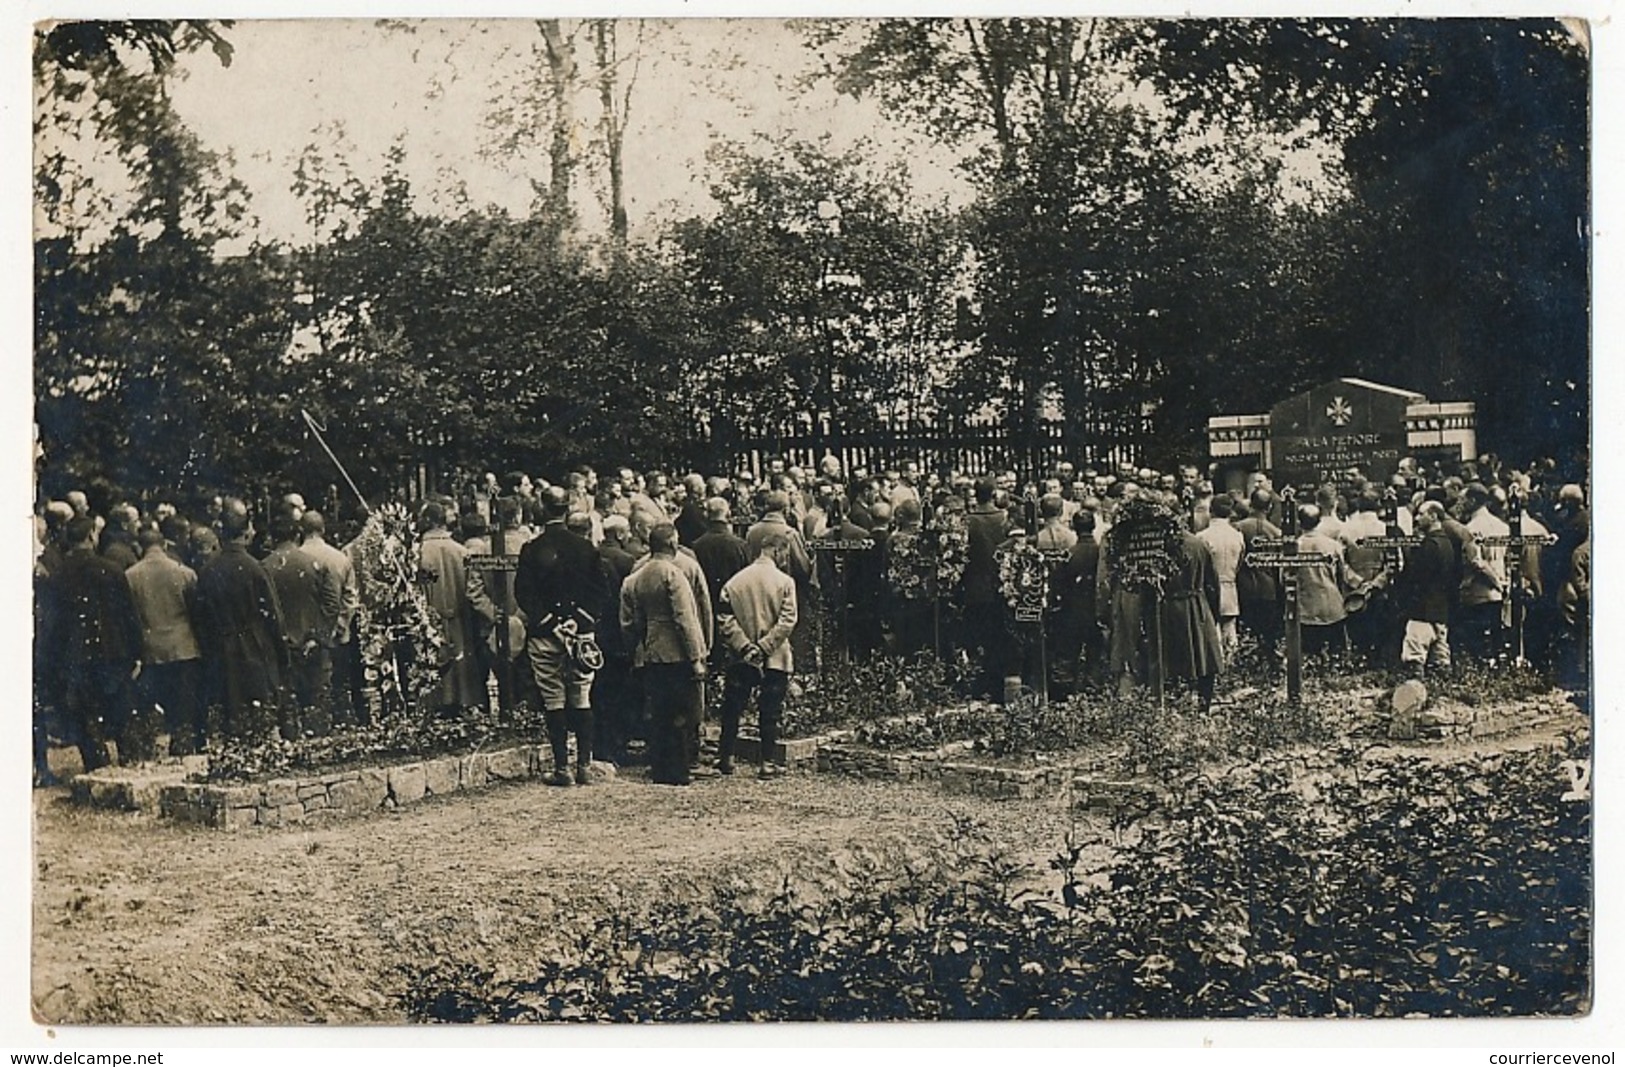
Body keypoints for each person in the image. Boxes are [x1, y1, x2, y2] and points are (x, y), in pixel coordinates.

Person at [515, 487, 607, 786]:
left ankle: (562, 768)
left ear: (542, 509)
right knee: (581, 695)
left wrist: (552, 622)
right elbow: (600, 593)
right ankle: (583, 765)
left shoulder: (532, 548)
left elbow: (523, 594)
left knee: (553, 698)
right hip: (581, 634)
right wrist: (576, 620)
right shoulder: (586, 547)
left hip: (545, 635)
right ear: (567, 509)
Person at [40, 516, 147, 770]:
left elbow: (52, 624)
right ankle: (130, 766)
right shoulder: (110, 570)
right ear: (90, 537)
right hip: (113, 653)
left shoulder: (58, 576)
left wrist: (53, 661)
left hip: (75, 656)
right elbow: (129, 616)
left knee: (85, 716)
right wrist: (137, 653)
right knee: (121, 713)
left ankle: (96, 768)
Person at [620, 523, 709, 786]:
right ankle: (678, 770)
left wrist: (636, 646)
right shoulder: (673, 574)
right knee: (680, 714)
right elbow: (685, 618)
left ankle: (659, 767)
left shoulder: (637, 575)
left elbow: (628, 621)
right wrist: (696, 657)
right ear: (671, 544)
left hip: (651, 650)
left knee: (658, 711)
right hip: (677, 652)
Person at [195, 499, 289, 741]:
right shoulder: (255, 569)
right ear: (246, 532)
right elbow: (273, 616)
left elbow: (201, 621)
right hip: (256, 648)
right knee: (262, 717)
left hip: (221, 651)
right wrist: (281, 654)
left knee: (231, 717)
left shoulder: (207, 572)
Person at [716, 530, 799, 778]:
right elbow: (788, 620)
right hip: (775, 656)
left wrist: (744, 646)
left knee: (733, 706)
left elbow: (725, 618)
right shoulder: (785, 582)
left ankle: (727, 757)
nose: (786, 558)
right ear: (777, 550)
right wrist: (764, 646)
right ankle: (766, 762)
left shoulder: (735, 582)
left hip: (740, 656)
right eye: (785, 553)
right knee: (770, 709)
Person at [125, 523, 206, 756]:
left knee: (160, 705)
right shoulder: (185, 572)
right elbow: (196, 614)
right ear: (165, 545)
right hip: (184, 648)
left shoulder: (130, 576)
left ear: (140, 547)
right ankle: (185, 748)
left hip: (151, 651)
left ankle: (153, 751)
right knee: (185, 706)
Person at [265, 508, 343, 737]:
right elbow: (332, 604)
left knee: (287, 707)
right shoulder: (315, 564)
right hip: (313, 645)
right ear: (297, 534)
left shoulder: (265, 568)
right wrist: (318, 636)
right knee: (316, 702)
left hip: (280, 646)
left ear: (271, 538)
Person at [417, 500, 483, 715]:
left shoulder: (416, 554)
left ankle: (437, 705)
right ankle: (462, 704)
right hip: (459, 618)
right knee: (460, 663)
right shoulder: (462, 552)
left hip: (429, 621)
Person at [1397, 502, 1458, 678]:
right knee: (1440, 657)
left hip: (1423, 608)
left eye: (1421, 514)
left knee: (1414, 656)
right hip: (1440, 608)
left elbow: (1418, 578)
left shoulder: (1429, 545)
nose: (1417, 518)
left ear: (1433, 516)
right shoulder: (1447, 543)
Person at [1195, 493, 1244, 663]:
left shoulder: (1202, 537)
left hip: (1208, 589)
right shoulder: (1237, 536)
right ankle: (1231, 668)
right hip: (1230, 585)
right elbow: (1239, 564)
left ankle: (1216, 668)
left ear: (1211, 511)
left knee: (1211, 632)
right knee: (1229, 632)